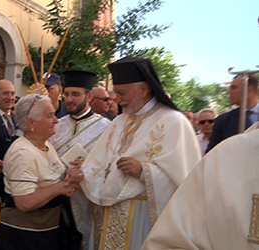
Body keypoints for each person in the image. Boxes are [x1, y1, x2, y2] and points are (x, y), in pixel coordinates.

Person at [80, 56, 200, 250]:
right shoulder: (119, 121)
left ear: (143, 89)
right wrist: (83, 172)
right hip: (107, 215)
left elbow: (186, 181)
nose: (117, 99)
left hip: (142, 218)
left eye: (122, 92)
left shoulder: (174, 122)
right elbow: (101, 161)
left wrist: (144, 171)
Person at [141, 126, 259, 249]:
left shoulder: (175, 122)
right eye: (203, 122)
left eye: (210, 121)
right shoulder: (224, 157)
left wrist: (144, 172)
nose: (207, 124)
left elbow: (179, 170)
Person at [0, 94, 83, 250]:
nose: (56, 120)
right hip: (23, 237)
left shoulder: (45, 144)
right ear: (31, 123)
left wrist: (70, 172)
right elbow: (24, 202)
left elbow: (50, 175)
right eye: (50, 116)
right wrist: (60, 187)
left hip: (45, 232)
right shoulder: (23, 152)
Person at [49, 70, 111, 250]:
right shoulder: (56, 124)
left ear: (89, 96)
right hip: (56, 200)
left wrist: (88, 168)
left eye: (76, 94)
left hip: (87, 200)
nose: (69, 99)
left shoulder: (107, 128)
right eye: (67, 94)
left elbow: (111, 164)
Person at [206, 74, 259, 153]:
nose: (228, 92)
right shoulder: (222, 121)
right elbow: (212, 155)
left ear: (249, 90)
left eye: (233, 88)